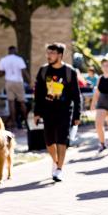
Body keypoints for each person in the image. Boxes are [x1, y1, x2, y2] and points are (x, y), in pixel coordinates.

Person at [34, 43, 81, 182]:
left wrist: (77, 115)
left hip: (64, 111)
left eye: (52, 53)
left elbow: (76, 96)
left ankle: (59, 169)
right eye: (48, 53)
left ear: (60, 55)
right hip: (48, 111)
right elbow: (38, 94)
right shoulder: (43, 71)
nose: (48, 56)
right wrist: (37, 112)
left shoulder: (69, 72)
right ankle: (55, 161)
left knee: (61, 140)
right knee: (49, 142)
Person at [0, 46, 30, 128]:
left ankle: (13, 122)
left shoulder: (4, 60)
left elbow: (0, 74)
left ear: (8, 51)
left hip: (9, 82)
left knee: (11, 102)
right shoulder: (19, 59)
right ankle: (26, 121)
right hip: (18, 82)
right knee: (22, 102)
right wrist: (30, 82)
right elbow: (24, 72)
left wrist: (7, 69)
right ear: (15, 51)